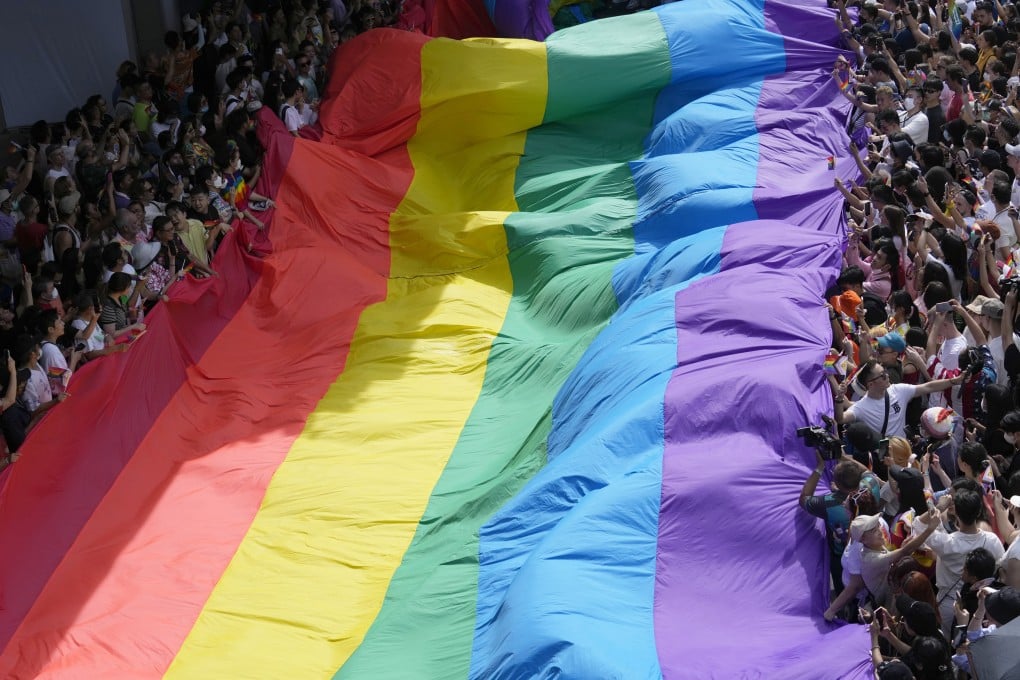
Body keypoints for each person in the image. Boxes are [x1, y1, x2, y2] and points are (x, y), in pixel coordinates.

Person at [839, 359, 966, 438]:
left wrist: (954, 381)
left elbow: (928, 387)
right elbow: (841, 419)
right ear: (870, 384)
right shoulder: (861, 407)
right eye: (882, 376)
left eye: (885, 372)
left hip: (904, 452)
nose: (887, 376)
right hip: (884, 460)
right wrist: (839, 398)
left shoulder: (898, 390)